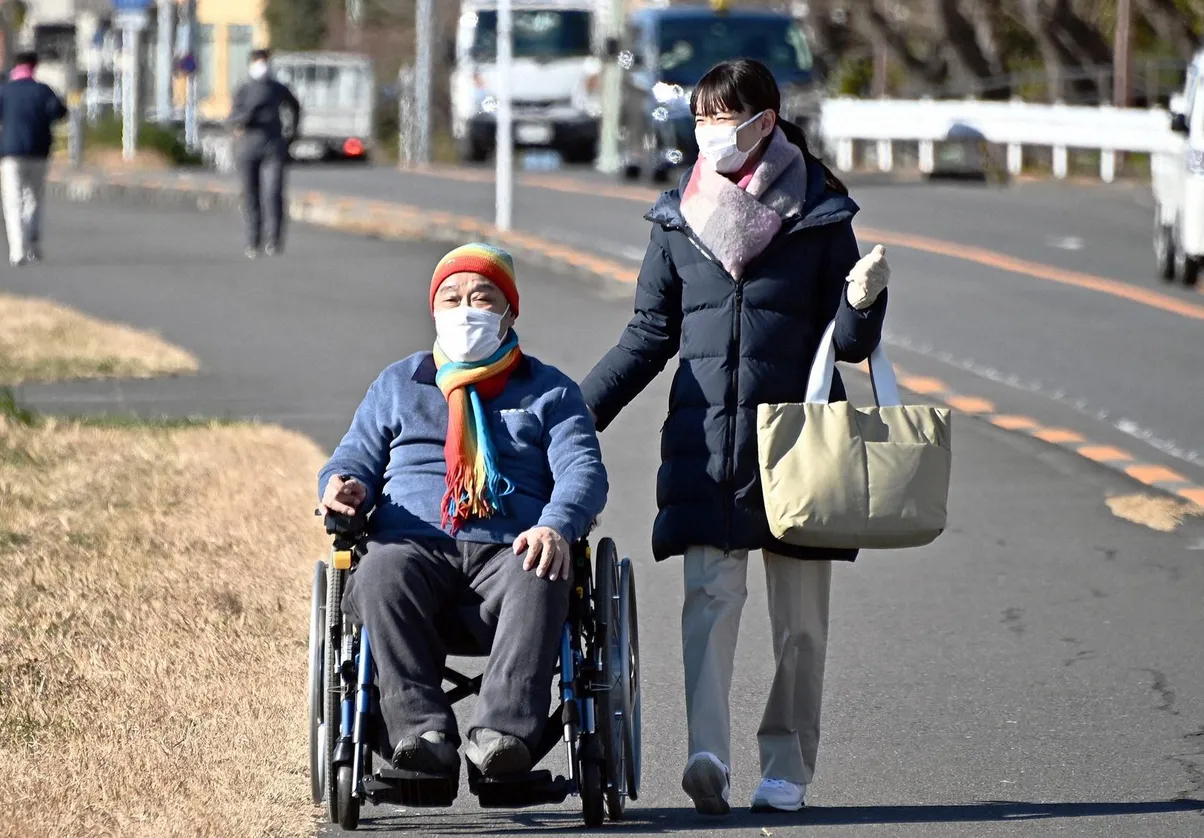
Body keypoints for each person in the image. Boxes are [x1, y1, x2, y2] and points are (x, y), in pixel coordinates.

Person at [580, 59, 892, 815]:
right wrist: (572, 411)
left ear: (766, 120)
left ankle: (787, 765)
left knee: (801, 625)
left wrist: (862, 302)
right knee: (708, 605)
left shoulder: (822, 216)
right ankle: (707, 754)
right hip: (708, 445)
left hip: (799, 444)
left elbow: (848, 345)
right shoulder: (678, 217)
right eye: (701, 118)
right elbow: (647, 337)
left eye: (724, 116)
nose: (710, 132)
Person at [318, 243, 607, 779]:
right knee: (379, 570)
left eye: (481, 297)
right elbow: (352, 458)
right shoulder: (398, 384)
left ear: (509, 312)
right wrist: (342, 487)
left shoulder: (550, 392)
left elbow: (583, 472)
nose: (465, 310)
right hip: (412, 549)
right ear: (433, 311)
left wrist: (555, 525)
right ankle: (420, 733)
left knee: (543, 570)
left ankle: (501, 735)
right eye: (450, 299)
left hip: (511, 552)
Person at [0, 53, 67, 267]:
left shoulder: (5, 91)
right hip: (38, 151)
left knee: (12, 200)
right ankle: (33, 237)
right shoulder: (43, 91)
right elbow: (60, 112)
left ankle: (17, 250)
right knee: (34, 197)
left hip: (10, 152)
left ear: (15, 67)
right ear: (35, 67)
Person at [227, 49, 301, 259]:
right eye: (258, 62)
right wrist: (242, 121)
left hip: (273, 148)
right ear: (251, 65)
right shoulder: (243, 89)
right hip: (247, 149)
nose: (262, 66)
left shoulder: (278, 88)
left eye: (265, 62)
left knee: (273, 193)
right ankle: (253, 241)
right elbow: (232, 117)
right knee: (251, 195)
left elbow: (295, 106)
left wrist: (292, 134)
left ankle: (274, 240)